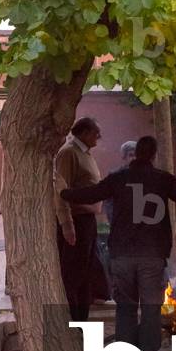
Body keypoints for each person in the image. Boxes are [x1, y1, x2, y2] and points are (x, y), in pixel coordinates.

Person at [61, 135, 176, 351]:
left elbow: (91, 194)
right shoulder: (163, 179)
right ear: (153, 154)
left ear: (133, 155)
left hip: (122, 253)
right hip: (153, 254)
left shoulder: (118, 178)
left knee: (125, 308)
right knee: (151, 308)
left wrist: (64, 192)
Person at [53, 116, 105, 322]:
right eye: (95, 133)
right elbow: (61, 190)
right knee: (73, 275)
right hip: (77, 222)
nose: (99, 137)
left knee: (86, 273)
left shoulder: (84, 153)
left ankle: (82, 321)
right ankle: (73, 322)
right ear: (84, 133)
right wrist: (67, 226)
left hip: (88, 221)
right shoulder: (68, 154)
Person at [103, 140, 137, 224]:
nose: (134, 158)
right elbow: (109, 202)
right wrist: (114, 221)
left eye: (137, 155)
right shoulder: (115, 176)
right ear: (124, 157)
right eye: (131, 155)